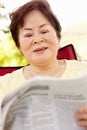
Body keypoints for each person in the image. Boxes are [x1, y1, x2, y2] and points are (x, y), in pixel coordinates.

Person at [0, 0, 87, 129]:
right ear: (19, 46)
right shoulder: (4, 84)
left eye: (44, 31)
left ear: (58, 36)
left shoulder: (84, 71)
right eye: (28, 34)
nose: (37, 39)